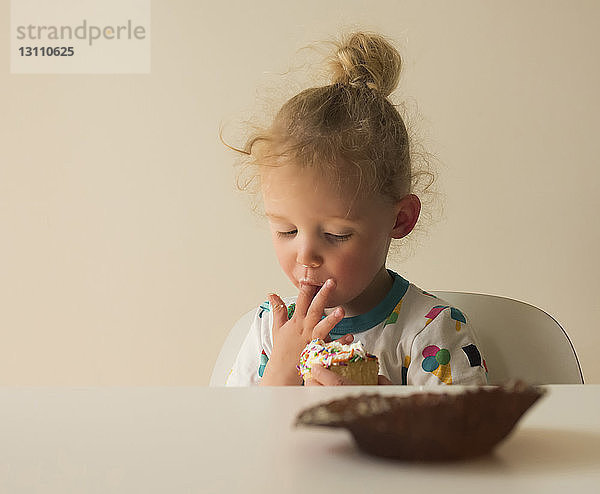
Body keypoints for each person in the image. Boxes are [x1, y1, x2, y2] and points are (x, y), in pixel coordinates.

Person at [222, 31, 488, 386]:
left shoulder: (430, 330)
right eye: (286, 230)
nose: (306, 255)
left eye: (336, 234)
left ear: (400, 218)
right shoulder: (271, 332)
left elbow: (466, 440)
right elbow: (230, 436)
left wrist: (381, 409)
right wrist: (279, 378)